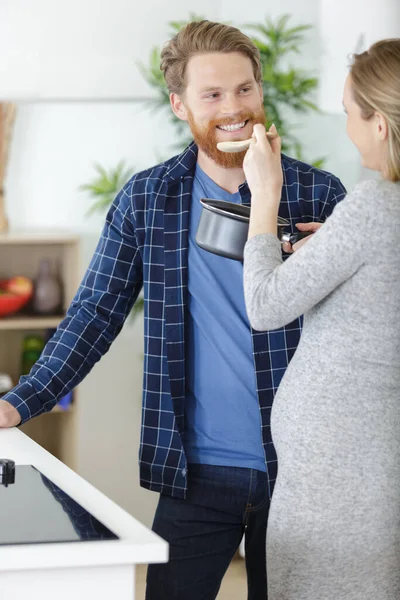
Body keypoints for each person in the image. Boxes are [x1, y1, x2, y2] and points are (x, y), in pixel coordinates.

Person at [0, 20, 346, 600]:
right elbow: (94, 314)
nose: (234, 108)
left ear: (261, 92)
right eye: (212, 94)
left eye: (244, 89)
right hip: (194, 475)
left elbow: (363, 332)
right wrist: (18, 404)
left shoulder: (319, 194)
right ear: (179, 104)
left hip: (303, 471)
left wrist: (336, 273)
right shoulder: (147, 198)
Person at [242, 38, 400, 600]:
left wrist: (266, 195)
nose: (348, 128)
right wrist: (334, 247)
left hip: (339, 483)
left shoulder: (375, 203)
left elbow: (264, 306)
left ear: (379, 123)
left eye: (349, 113)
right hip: (372, 470)